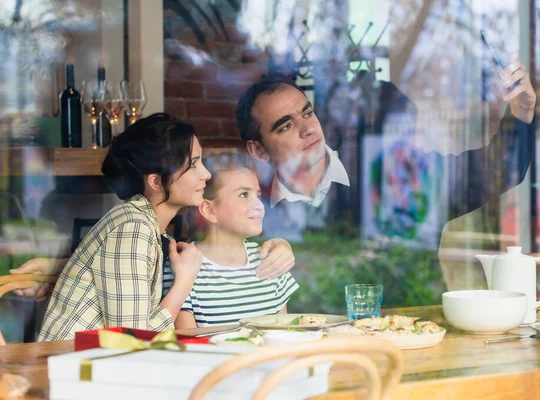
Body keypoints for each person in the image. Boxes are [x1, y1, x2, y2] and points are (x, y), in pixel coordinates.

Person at [235, 60, 536, 242]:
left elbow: (490, 174)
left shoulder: (396, 174)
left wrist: (520, 113)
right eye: (286, 126)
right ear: (259, 151)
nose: (308, 129)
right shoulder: (248, 212)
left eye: (308, 113)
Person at [38, 113, 210, 340]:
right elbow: (132, 339)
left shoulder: (149, 227)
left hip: (96, 362)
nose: (206, 174)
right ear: (156, 182)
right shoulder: (132, 228)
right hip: (74, 366)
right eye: (193, 164)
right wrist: (184, 282)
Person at [164, 152, 299, 329]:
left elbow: (282, 336)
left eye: (258, 195)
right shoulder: (182, 267)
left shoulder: (271, 261)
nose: (259, 205)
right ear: (209, 210)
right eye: (244, 195)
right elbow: (191, 347)